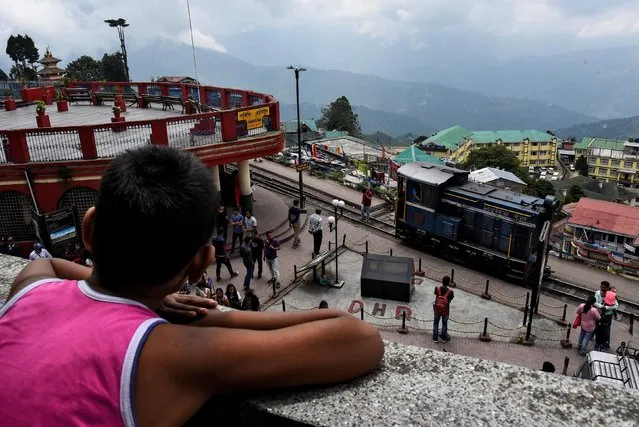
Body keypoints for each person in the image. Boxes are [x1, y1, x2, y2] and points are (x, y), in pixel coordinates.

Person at [0, 145, 384, 426]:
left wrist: (144, 300)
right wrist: (194, 314)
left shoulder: (29, 288)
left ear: (88, 229)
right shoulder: (170, 352)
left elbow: (50, 262)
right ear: (202, 264)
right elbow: (360, 339)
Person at [594, 281, 618, 351]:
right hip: (599, 313)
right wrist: (601, 306)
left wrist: (607, 308)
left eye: (603, 287)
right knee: (598, 329)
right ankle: (597, 343)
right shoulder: (598, 293)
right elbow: (595, 302)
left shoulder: (611, 294)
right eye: (601, 286)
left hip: (607, 315)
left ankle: (604, 344)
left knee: (606, 330)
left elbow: (616, 306)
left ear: (607, 288)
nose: (601, 288)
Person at [433, 276, 454, 343]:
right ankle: (444, 338)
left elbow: (435, 294)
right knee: (444, 324)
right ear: (448, 283)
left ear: (442, 281)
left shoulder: (437, 289)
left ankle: (435, 338)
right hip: (445, 310)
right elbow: (450, 299)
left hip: (437, 309)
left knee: (436, 323)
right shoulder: (450, 292)